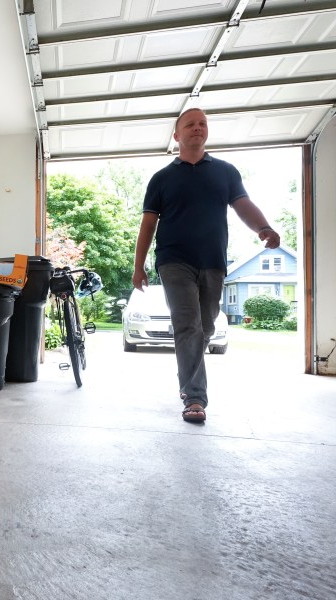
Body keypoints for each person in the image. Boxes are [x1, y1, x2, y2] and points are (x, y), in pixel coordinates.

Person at [132, 108, 280, 423]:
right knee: (188, 326)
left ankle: (188, 375)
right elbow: (147, 225)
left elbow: (243, 205)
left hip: (213, 260)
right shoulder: (162, 179)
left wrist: (263, 228)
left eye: (203, 124)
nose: (198, 128)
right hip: (173, 260)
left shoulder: (225, 172)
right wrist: (138, 265)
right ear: (177, 135)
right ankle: (194, 397)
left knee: (206, 327)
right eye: (190, 124)